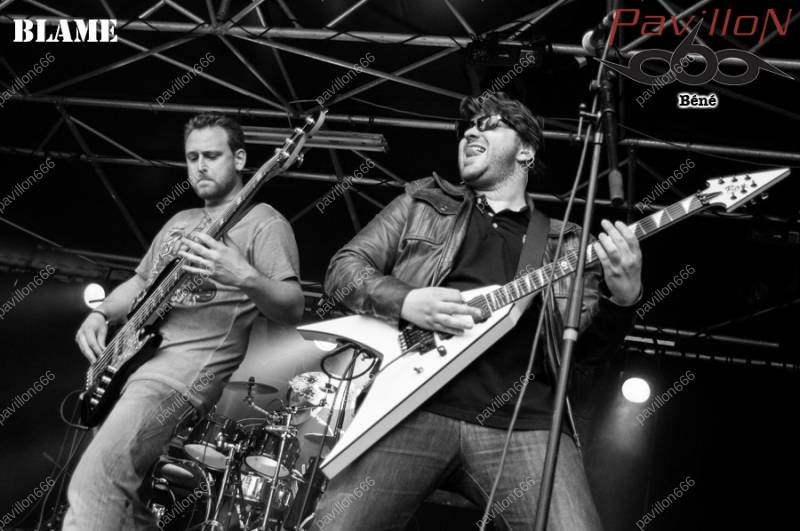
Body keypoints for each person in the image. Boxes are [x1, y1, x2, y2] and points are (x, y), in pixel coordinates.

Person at [312, 92, 642, 530]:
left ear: (526, 150)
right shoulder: (421, 204)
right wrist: (406, 300)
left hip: (526, 425)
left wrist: (624, 300)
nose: (470, 132)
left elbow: (585, 352)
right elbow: (344, 269)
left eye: (489, 125)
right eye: (467, 128)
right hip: (411, 408)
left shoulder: (566, 242)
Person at [65, 113, 305, 530]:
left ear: (240, 159)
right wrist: (101, 312)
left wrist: (244, 276)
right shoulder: (180, 221)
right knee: (125, 505)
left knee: (95, 482)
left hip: (181, 375)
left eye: (212, 155)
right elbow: (141, 281)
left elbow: (293, 307)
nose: (200, 166)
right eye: (193, 157)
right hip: (133, 362)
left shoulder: (265, 222)